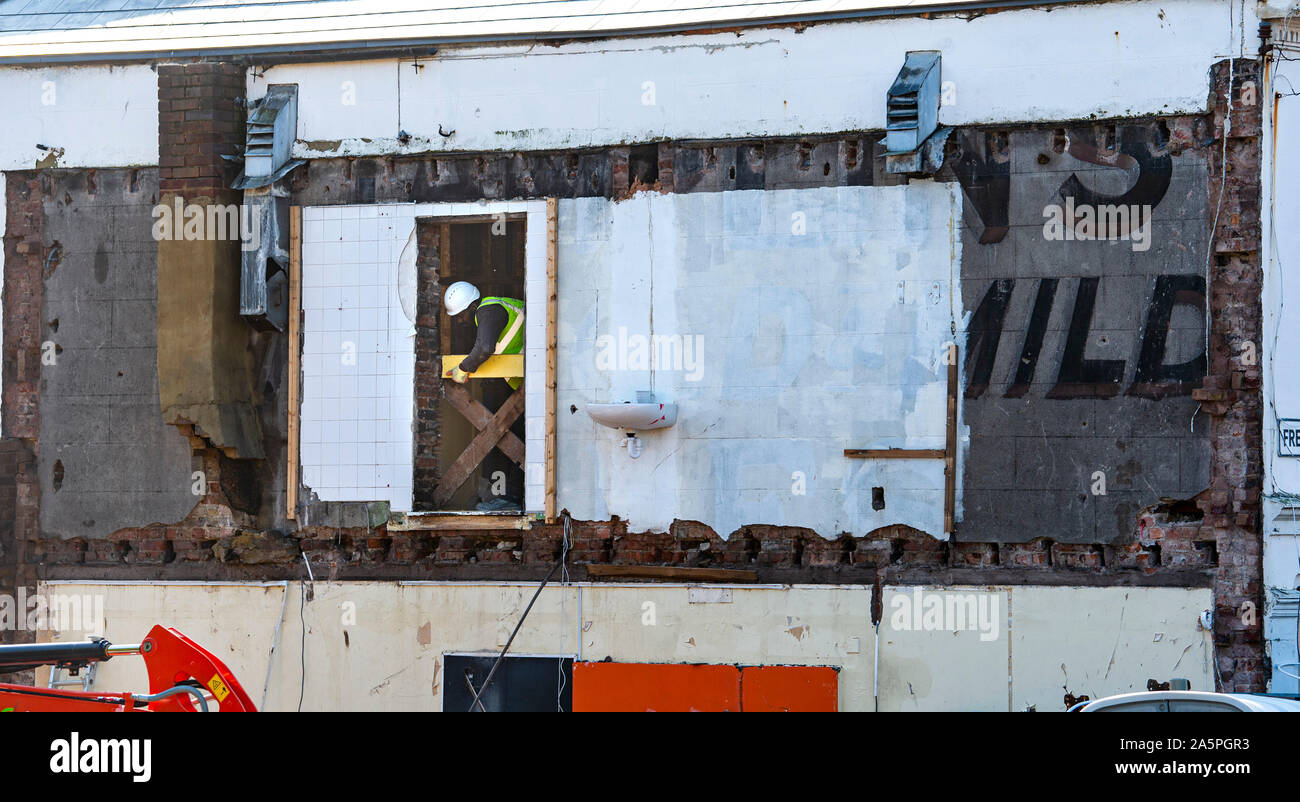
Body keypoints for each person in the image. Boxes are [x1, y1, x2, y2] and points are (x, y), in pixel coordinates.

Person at [442, 281, 524, 390]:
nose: (459, 321)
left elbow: (484, 348)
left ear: (473, 307)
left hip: (539, 367)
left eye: (461, 315)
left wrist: (463, 368)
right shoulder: (488, 312)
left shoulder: (489, 311)